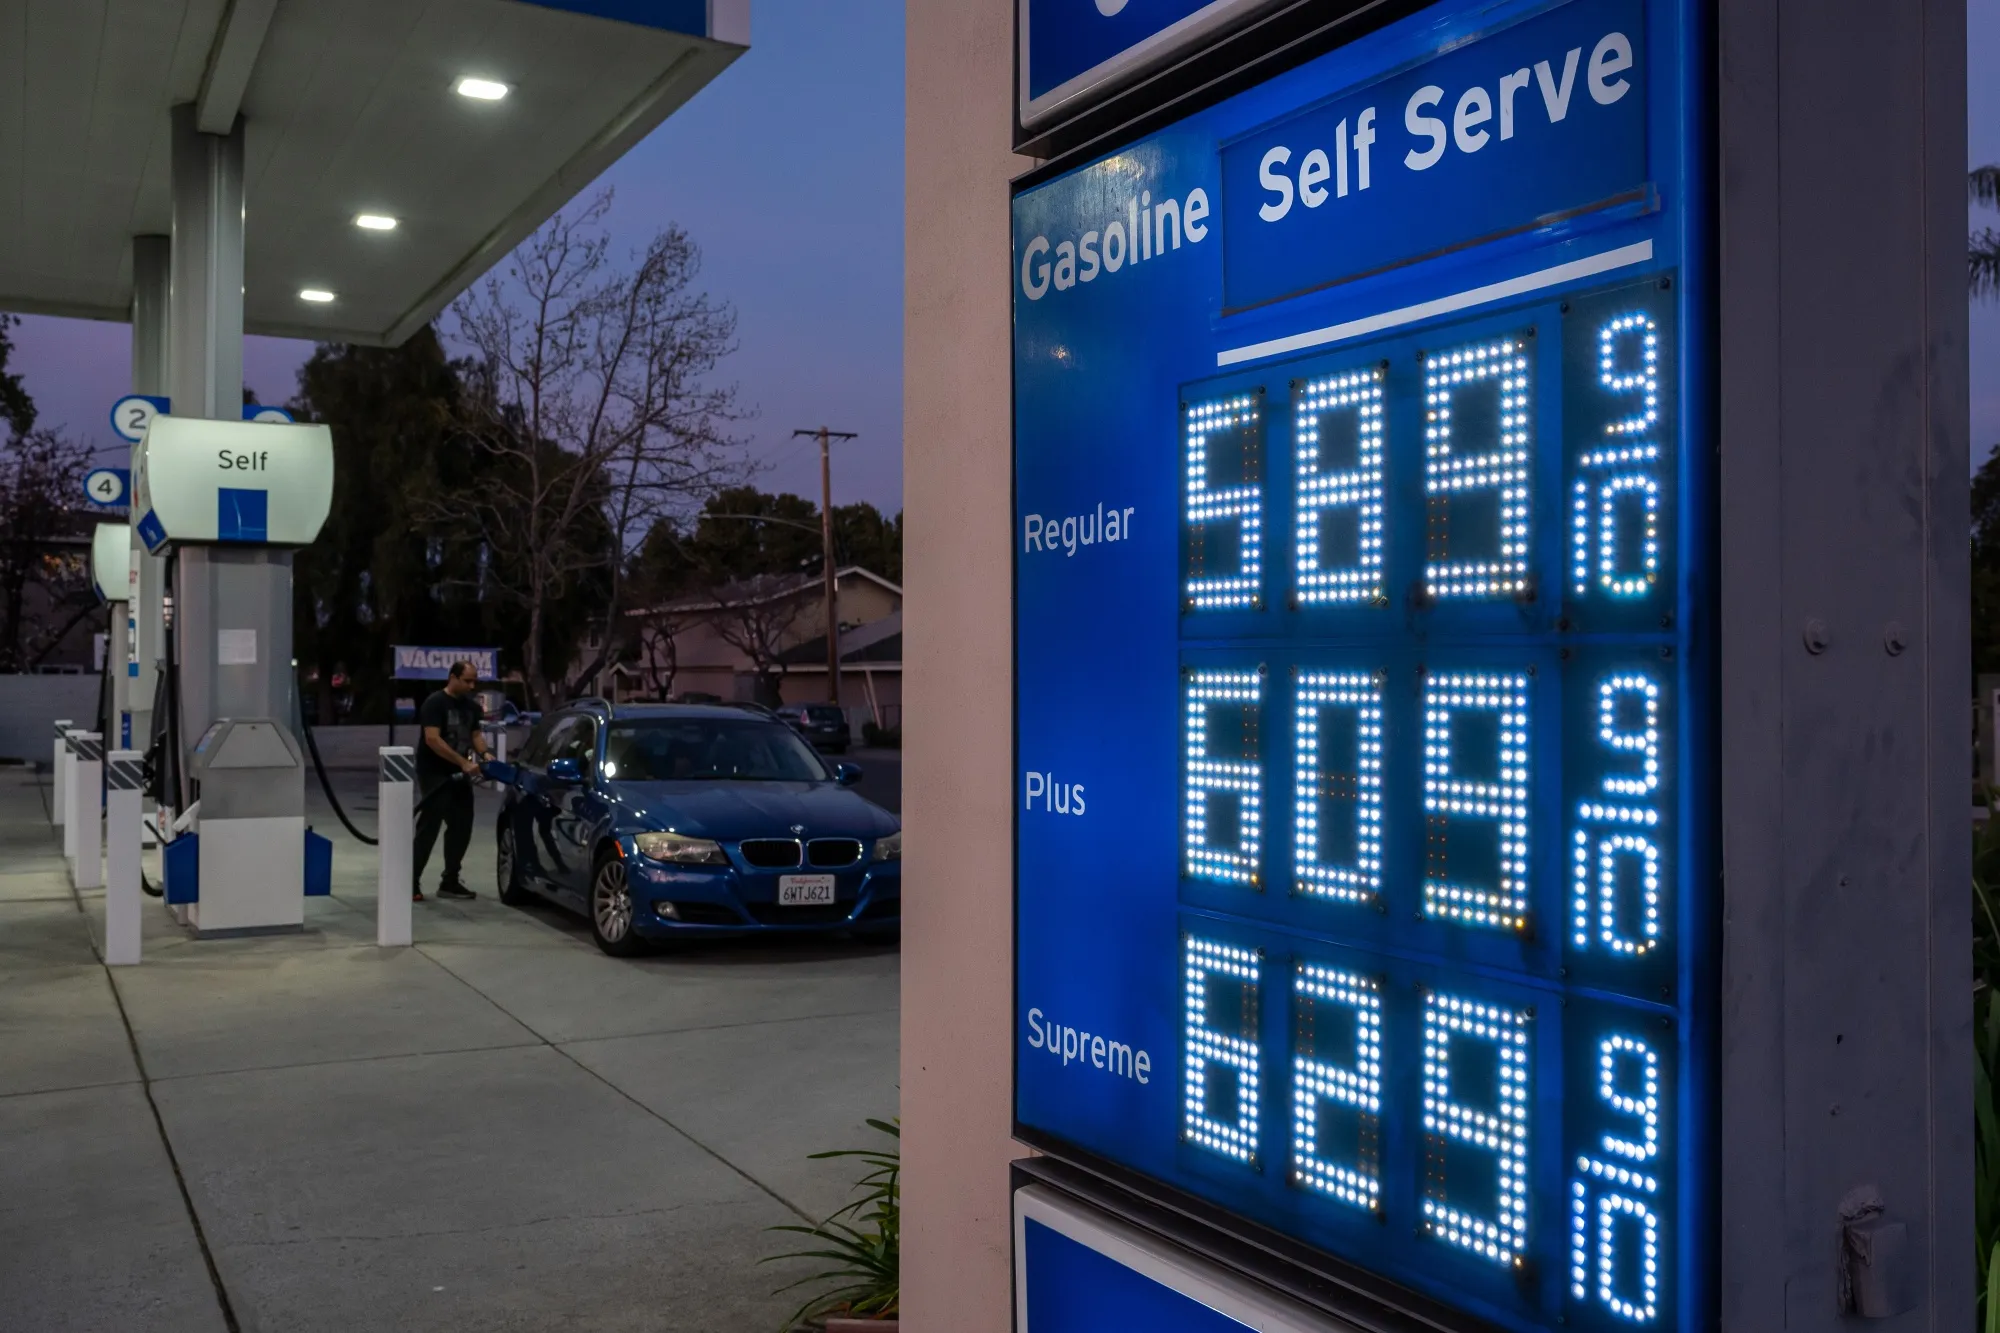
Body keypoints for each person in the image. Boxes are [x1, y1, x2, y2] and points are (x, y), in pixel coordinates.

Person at [412, 660, 490, 901]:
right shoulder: (435, 703)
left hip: (459, 775)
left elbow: (475, 735)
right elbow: (432, 739)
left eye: (474, 681)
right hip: (434, 772)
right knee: (430, 826)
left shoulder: (471, 707)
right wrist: (462, 762)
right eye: (467, 681)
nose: (472, 686)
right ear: (453, 677)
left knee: (462, 826)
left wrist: (486, 754)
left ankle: (450, 881)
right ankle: (411, 880)